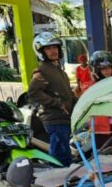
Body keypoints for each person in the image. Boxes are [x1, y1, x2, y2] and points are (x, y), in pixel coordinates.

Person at [28, 32, 76, 167]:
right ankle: (59, 183)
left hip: (64, 118)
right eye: (48, 48)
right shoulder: (42, 71)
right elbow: (33, 92)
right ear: (41, 51)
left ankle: (64, 180)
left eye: (55, 47)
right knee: (60, 156)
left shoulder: (60, 71)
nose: (53, 51)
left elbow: (68, 95)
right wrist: (56, 103)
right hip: (54, 119)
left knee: (65, 153)